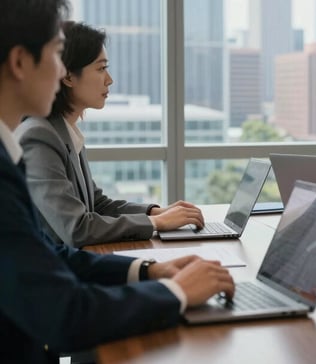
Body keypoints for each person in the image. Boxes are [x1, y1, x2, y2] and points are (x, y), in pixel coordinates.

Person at [0, 0, 234, 363]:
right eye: (58, 54)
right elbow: (66, 313)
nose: (61, 72)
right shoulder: (27, 144)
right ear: (21, 61)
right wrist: (177, 292)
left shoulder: (12, 150)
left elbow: (46, 254)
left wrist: (147, 271)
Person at [15, 21, 205, 247]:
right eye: (101, 68)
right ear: (67, 76)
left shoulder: (64, 130)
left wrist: (155, 211)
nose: (109, 79)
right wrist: (156, 223)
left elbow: (97, 204)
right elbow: (77, 228)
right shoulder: (39, 136)